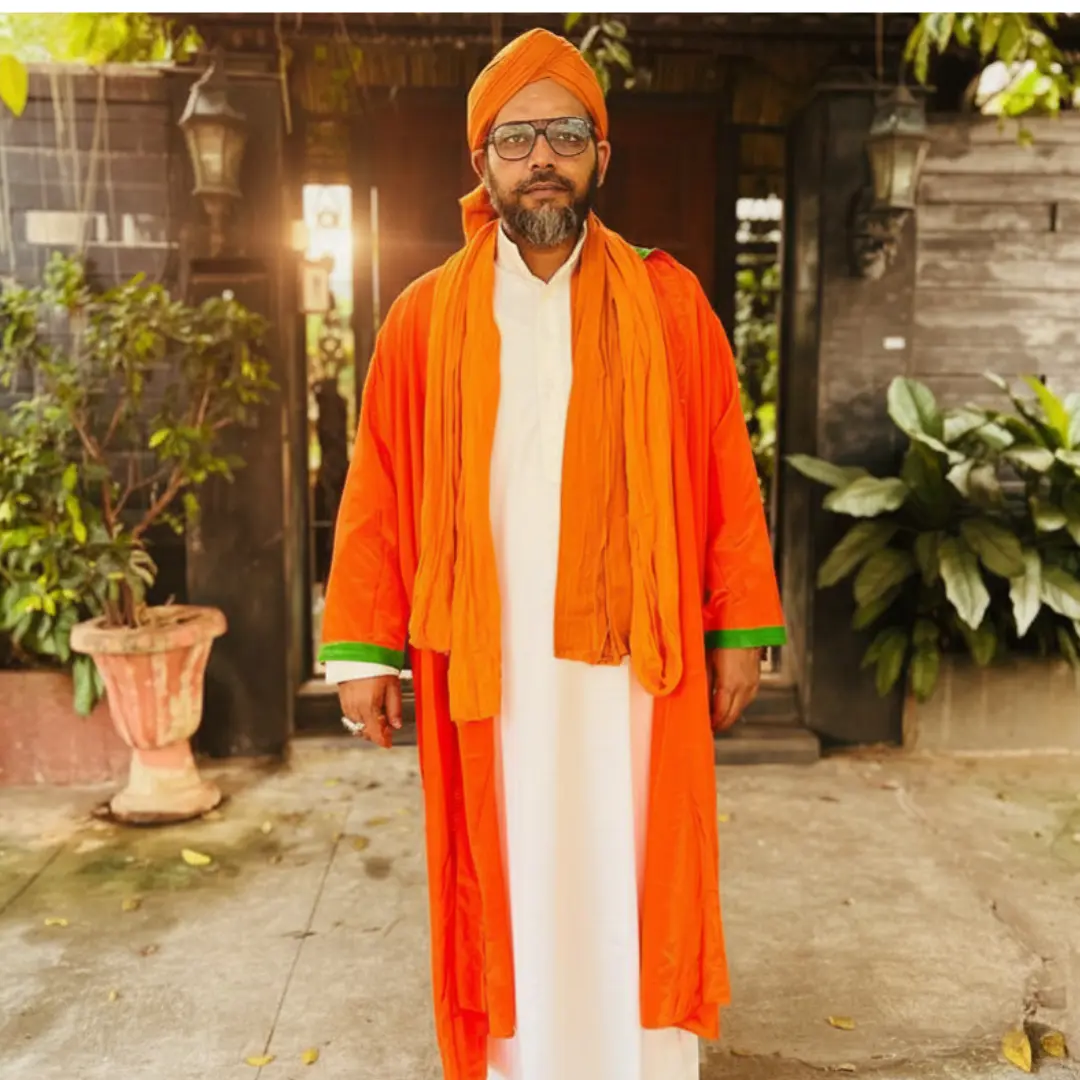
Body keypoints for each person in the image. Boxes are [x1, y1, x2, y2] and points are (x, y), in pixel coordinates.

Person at [319, 26, 786, 1080]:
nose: (542, 158)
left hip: (636, 670)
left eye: (566, 135)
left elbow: (725, 467)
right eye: (517, 138)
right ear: (481, 160)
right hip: (487, 667)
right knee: (509, 867)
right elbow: (377, 488)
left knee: (631, 858)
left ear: (600, 155)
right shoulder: (424, 318)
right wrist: (362, 652)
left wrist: (738, 630)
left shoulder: (669, 303)